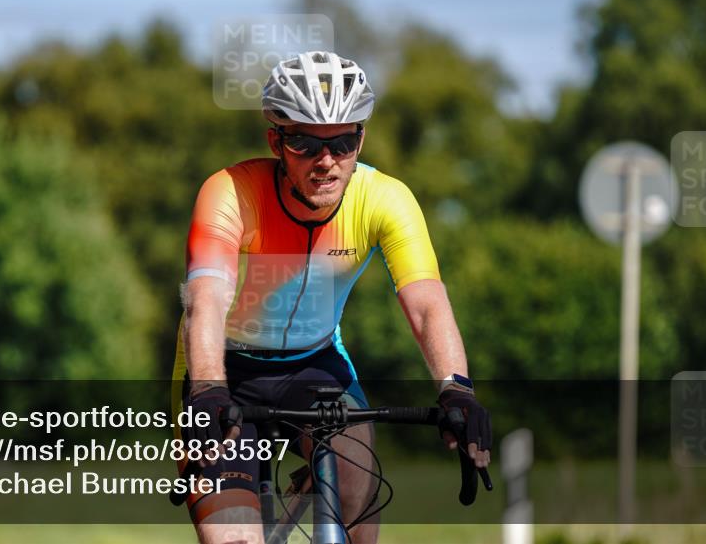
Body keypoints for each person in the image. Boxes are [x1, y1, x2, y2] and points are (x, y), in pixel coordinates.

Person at [173, 51, 492, 544]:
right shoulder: (231, 191)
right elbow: (206, 300)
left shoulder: (386, 198)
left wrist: (458, 390)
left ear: (361, 138)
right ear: (276, 140)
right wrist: (208, 391)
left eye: (343, 143)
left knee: (359, 511)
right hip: (224, 369)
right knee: (233, 539)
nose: (326, 161)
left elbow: (427, 303)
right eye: (304, 143)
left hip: (316, 366)